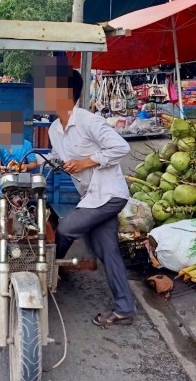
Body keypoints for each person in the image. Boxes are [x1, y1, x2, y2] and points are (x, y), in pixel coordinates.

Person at [39, 60, 135, 326]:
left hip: (108, 195)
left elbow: (120, 147)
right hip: (91, 196)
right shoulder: (54, 128)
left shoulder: (88, 121)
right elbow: (55, 157)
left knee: (66, 229)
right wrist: (28, 163)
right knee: (108, 250)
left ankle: (43, 275)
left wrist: (86, 162)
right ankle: (124, 309)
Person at [0, 109, 38, 205]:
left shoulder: (26, 144)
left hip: (22, 177)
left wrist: (26, 167)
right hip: (4, 175)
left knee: (23, 199)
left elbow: (34, 163)